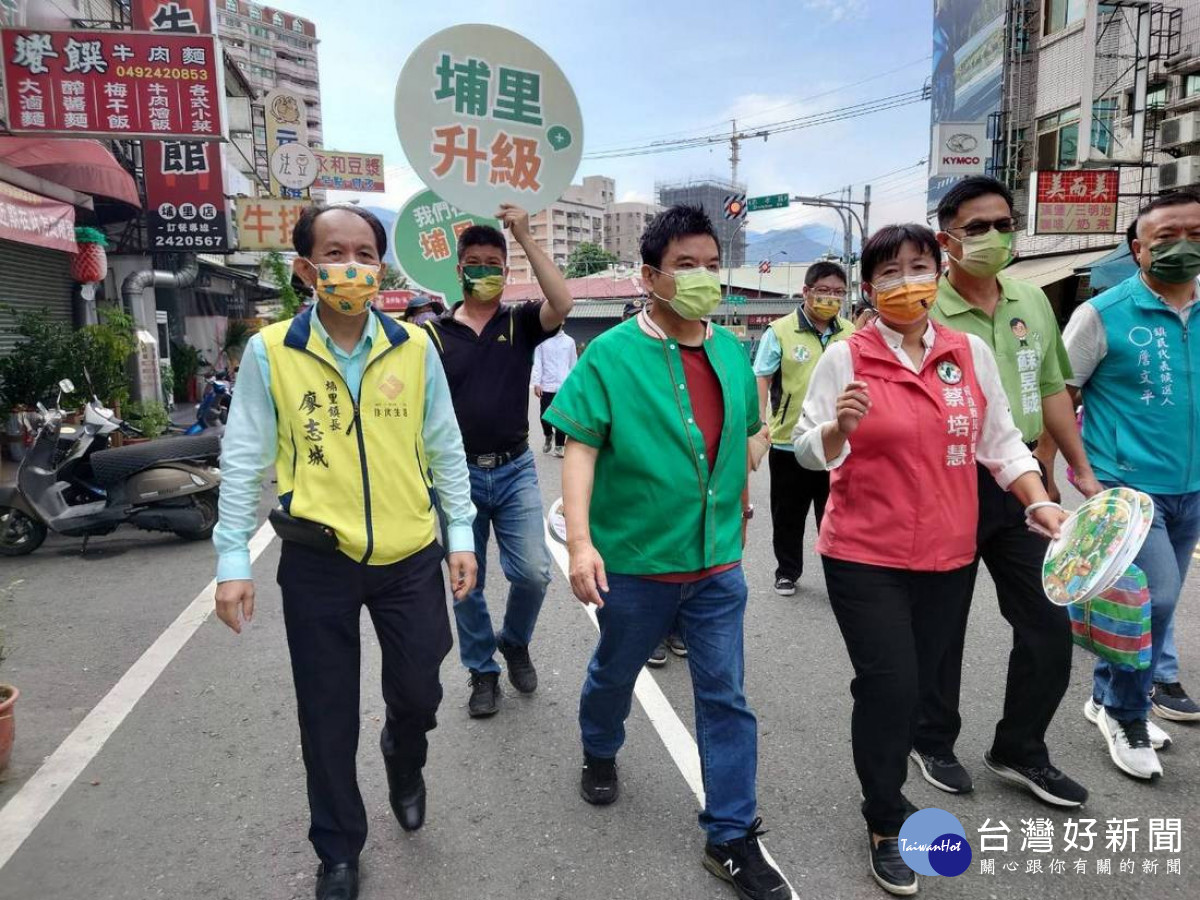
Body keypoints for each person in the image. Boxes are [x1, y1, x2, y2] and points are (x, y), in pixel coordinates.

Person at [212, 205, 477, 900]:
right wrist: (233, 562)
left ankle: (404, 750)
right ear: (306, 268)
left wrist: (459, 535)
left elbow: (446, 446)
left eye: (365, 252)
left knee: (420, 687)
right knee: (325, 711)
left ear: (382, 267)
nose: (351, 266)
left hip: (409, 553)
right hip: (319, 558)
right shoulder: (273, 352)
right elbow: (243, 460)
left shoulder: (415, 348)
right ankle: (337, 848)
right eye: (335, 252)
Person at [795, 224, 1066, 896]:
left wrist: (1037, 501)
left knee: (920, 685)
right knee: (888, 685)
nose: (907, 282)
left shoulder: (967, 353)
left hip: (948, 552)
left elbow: (1001, 442)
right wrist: (837, 430)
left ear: (940, 274)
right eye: (890, 272)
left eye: (920, 267)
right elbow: (805, 448)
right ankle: (886, 819)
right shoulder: (846, 358)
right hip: (864, 552)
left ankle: (918, 770)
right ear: (869, 287)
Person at [546, 205, 789, 900]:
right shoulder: (612, 355)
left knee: (725, 697)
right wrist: (583, 544)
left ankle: (732, 837)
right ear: (651, 275)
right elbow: (581, 447)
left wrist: (751, 482)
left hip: (715, 566)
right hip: (636, 563)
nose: (705, 277)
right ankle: (600, 746)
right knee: (616, 672)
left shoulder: (732, 353)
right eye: (688, 265)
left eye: (713, 263)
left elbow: (745, 438)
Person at [917, 175, 1095, 805]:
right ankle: (932, 737)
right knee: (942, 626)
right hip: (947, 483)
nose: (995, 237)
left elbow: (1051, 389)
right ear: (948, 239)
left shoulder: (1033, 300)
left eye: (1003, 224)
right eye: (977, 228)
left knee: (1049, 624)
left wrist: (1078, 471)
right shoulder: (922, 307)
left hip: (1022, 483)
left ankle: (1020, 747)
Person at [1063, 189, 1200, 779]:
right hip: (1125, 491)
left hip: (1190, 485)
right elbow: (1059, 394)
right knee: (1156, 599)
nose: (1181, 246)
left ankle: (1107, 693)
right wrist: (1079, 475)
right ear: (1138, 249)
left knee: (1155, 610)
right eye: (1165, 237)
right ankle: (1123, 712)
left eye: (1193, 233)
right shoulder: (1103, 313)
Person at [424, 205, 573, 718]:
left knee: (533, 572)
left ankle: (514, 641)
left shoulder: (522, 322)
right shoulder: (433, 334)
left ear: (506, 272)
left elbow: (564, 300)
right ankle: (482, 671)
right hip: (456, 476)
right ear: (459, 269)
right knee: (467, 582)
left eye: (494, 263)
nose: (485, 270)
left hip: (514, 469)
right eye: (476, 262)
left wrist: (526, 237)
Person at [753, 260, 855, 596]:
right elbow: (762, 376)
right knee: (788, 514)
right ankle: (787, 571)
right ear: (806, 292)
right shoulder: (779, 331)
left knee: (836, 513)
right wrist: (760, 423)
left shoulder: (851, 333)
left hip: (836, 440)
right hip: (789, 442)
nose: (831, 298)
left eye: (838, 292)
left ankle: (839, 574)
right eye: (824, 291)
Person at [531, 326, 579, 457]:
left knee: (561, 417)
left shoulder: (569, 341)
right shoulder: (542, 341)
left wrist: (574, 384)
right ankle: (548, 434)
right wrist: (537, 382)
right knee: (544, 417)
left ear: (563, 322)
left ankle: (559, 446)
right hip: (546, 385)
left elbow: (573, 363)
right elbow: (538, 362)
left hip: (564, 385)